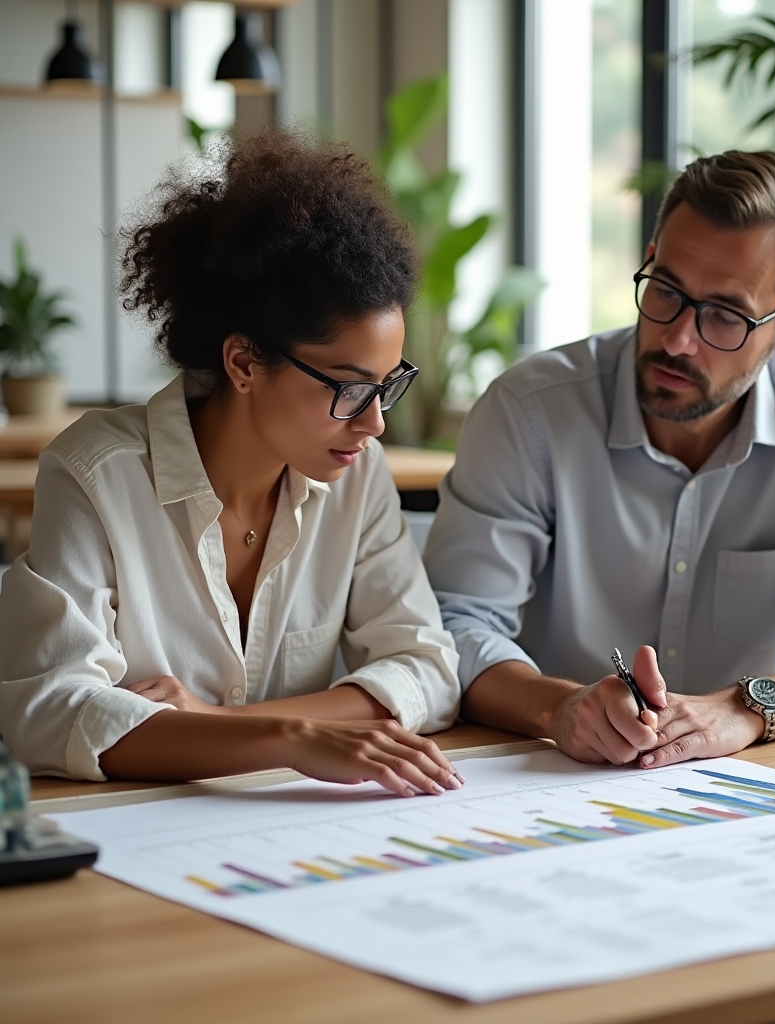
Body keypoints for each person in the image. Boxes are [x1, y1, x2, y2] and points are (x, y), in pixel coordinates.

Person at [423, 150, 775, 768]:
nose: (677, 339)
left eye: (725, 316)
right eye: (666, 290)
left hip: (744, 786)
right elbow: (448, 631)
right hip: (548, 777)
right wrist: (562, 707)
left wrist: (747, 708)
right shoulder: (529, 411)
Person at [0, 131, 464, 796]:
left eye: (388, 384)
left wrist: (220, 722)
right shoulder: (97, 475)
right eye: (349, 388)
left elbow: (426, 669)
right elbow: (48, 712)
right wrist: (290, 739)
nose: (375, 421)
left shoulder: (356, 475)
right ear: (244, 362)